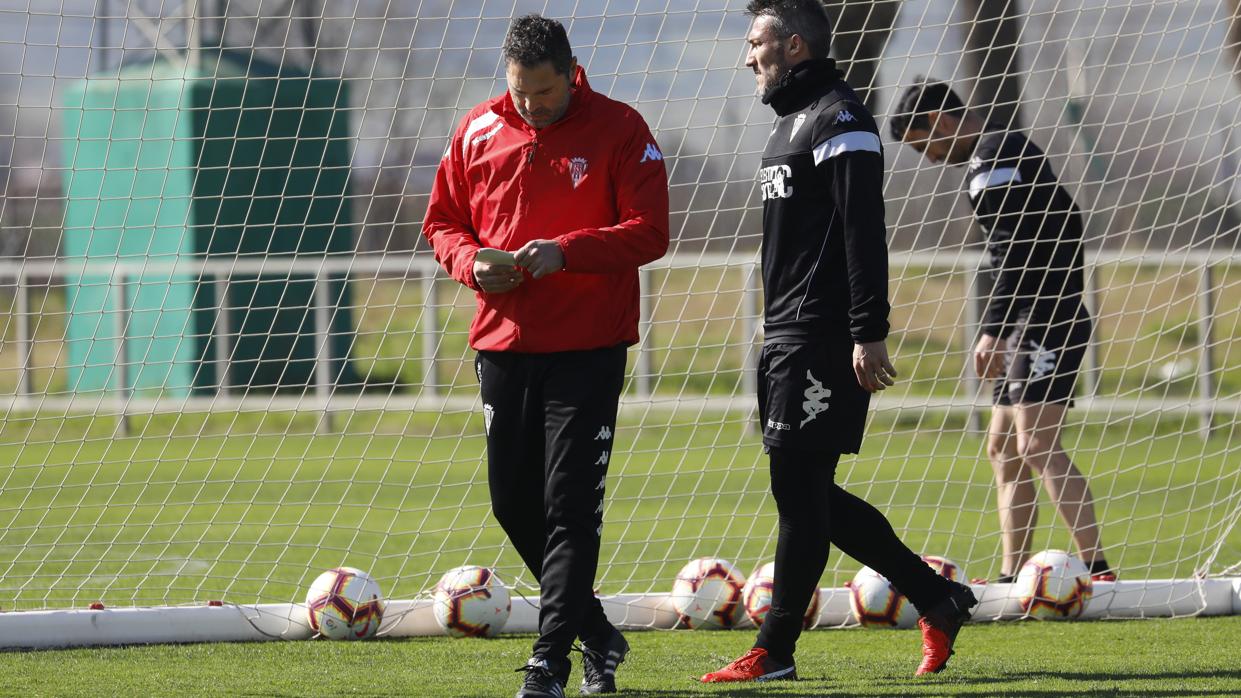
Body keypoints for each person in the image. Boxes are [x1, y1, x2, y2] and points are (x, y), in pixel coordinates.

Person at [700, 0, 977, 684]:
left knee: (798, 493)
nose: (746, 57)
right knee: (807, 492)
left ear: (794, 46)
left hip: (823, 336)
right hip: (787, 333)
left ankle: (775, 650)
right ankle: (938, 598)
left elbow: (862, 232)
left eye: (755, 42)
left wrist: (867, 331)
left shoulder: (841, 120)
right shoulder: (789, 122)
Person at [422, 14, 669, 698]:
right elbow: (442, 221)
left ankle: (550, 660)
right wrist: (471, 263)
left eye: (544, 92)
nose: (531, 104)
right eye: (520, 92)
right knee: (512, 503)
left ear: (570, 72)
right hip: (502, 343)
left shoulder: (620, 128)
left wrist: (567, 251)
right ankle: (597, 631)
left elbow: (650, 233)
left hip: (587, 348)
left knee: (569, 508)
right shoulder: (476, 129)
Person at [889, 78, 1113, 584]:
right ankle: (1014, 576)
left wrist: (992, 329)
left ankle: (1099, 571)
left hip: (1046, 317)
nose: (927, 158)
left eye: (924, 144)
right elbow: (1062, 221)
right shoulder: (990, 158)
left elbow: (1014, 248)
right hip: (1025, 320)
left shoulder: (997, 157)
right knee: (1003, 449)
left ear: (941, 121)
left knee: (1036, 444)